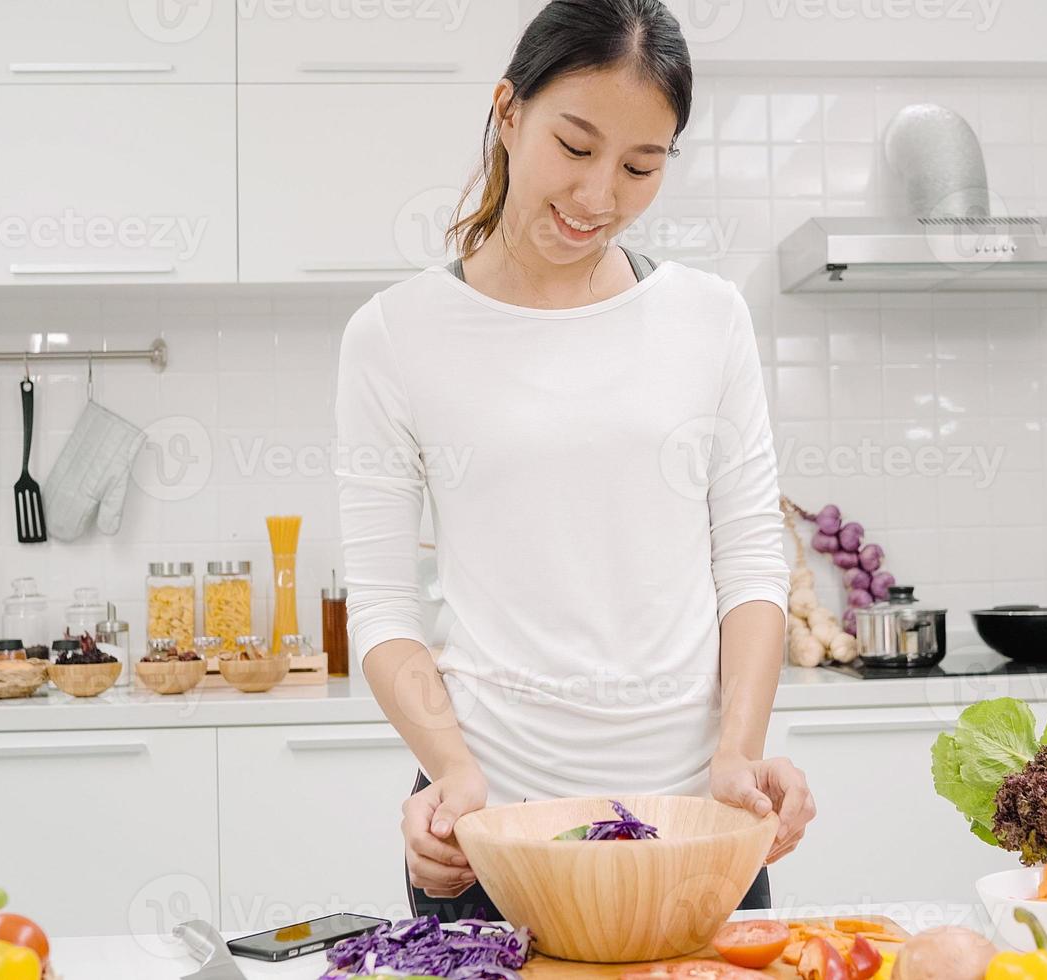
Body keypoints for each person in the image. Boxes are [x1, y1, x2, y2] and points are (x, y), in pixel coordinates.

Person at [333, 0, 815, 924]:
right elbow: (387, 610)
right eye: (576, 146)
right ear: (509, 113)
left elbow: (752, 565)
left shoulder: (707, 319)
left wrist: (737, 761)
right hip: (499, 832)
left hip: (698, 828)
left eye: (641, 166)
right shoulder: (393, 337)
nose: (600, 197)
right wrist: (455, 777)